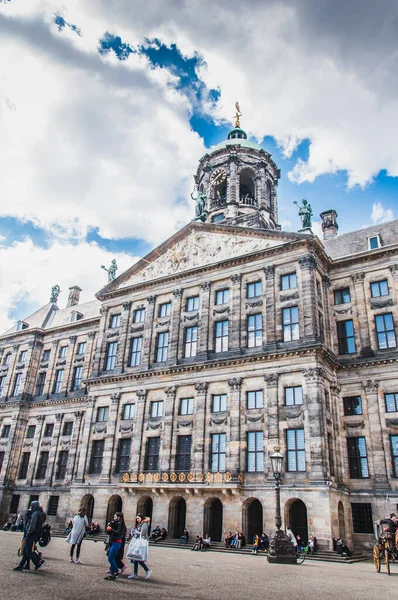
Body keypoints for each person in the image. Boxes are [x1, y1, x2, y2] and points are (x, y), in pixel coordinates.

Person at [14, 501, 45, 572]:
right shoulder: (39, 513)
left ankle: (38, 561)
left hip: (31, 534)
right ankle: (21, 565)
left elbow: (32, 525)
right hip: (34, 534)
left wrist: (28, 532)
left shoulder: (35, 514)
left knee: (28, 551)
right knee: (25, 550)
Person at [128, 513, 152, 580]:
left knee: (138, 557)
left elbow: (143, 532)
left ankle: (147, 570)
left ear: (141, 518)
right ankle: (135, 573)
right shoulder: (141, 524)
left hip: (141, 542)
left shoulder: (144, 523)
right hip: (138, 541)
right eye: (136, 518)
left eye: (138, 518)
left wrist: (137, 532)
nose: (137, 519)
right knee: (136, 557)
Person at [105, 512, 126, 581]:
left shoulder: (121, 525)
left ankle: (116, 571)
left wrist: (111, 529)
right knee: (111, 557)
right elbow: (109, 533)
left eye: (115, 517)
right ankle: (112, 573)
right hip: (113, 542)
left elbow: (118, 533)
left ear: (119, 517)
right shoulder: (115, 523)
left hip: (117, 542)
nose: (114, 518)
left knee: (110, 558)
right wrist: (108, 528)